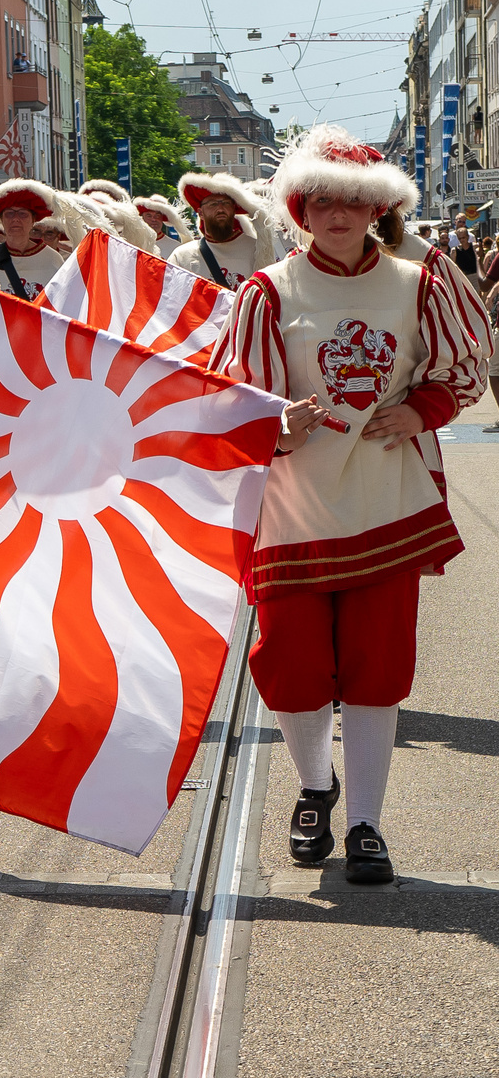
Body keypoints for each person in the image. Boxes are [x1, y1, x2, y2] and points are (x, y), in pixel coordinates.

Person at [210, 125, 486, 884]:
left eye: (353, 203)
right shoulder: (265, 292)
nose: (337, 215)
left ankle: (365, 822)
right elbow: (227, 399)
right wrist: (272, 423)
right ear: (300, 209)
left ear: (377, 210)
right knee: (292, 668)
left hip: (384, 502)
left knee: (376, 667)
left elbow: (464, 365)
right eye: (322, 201)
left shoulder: (417, 281)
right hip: (291, 509)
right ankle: (311, 786)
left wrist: (422, 407)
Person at [168, 172, 273, 291]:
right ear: (201, 213)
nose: (220, 209)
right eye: (213, 204)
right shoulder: (182, 257)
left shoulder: (258, 251)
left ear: (234, 209)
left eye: (226, 203)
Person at [0, 179, 64, 299]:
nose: (15, 219)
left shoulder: (53, 259)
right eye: (9, 214)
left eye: (22, 214)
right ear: (1, 221)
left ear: (33, 220)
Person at [133, 193, 192, 260]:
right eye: (149, 216)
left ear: (162, 219)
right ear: (142, 218)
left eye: (157, 215)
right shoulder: (132, 244)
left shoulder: (175, 247)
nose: (154, 219)